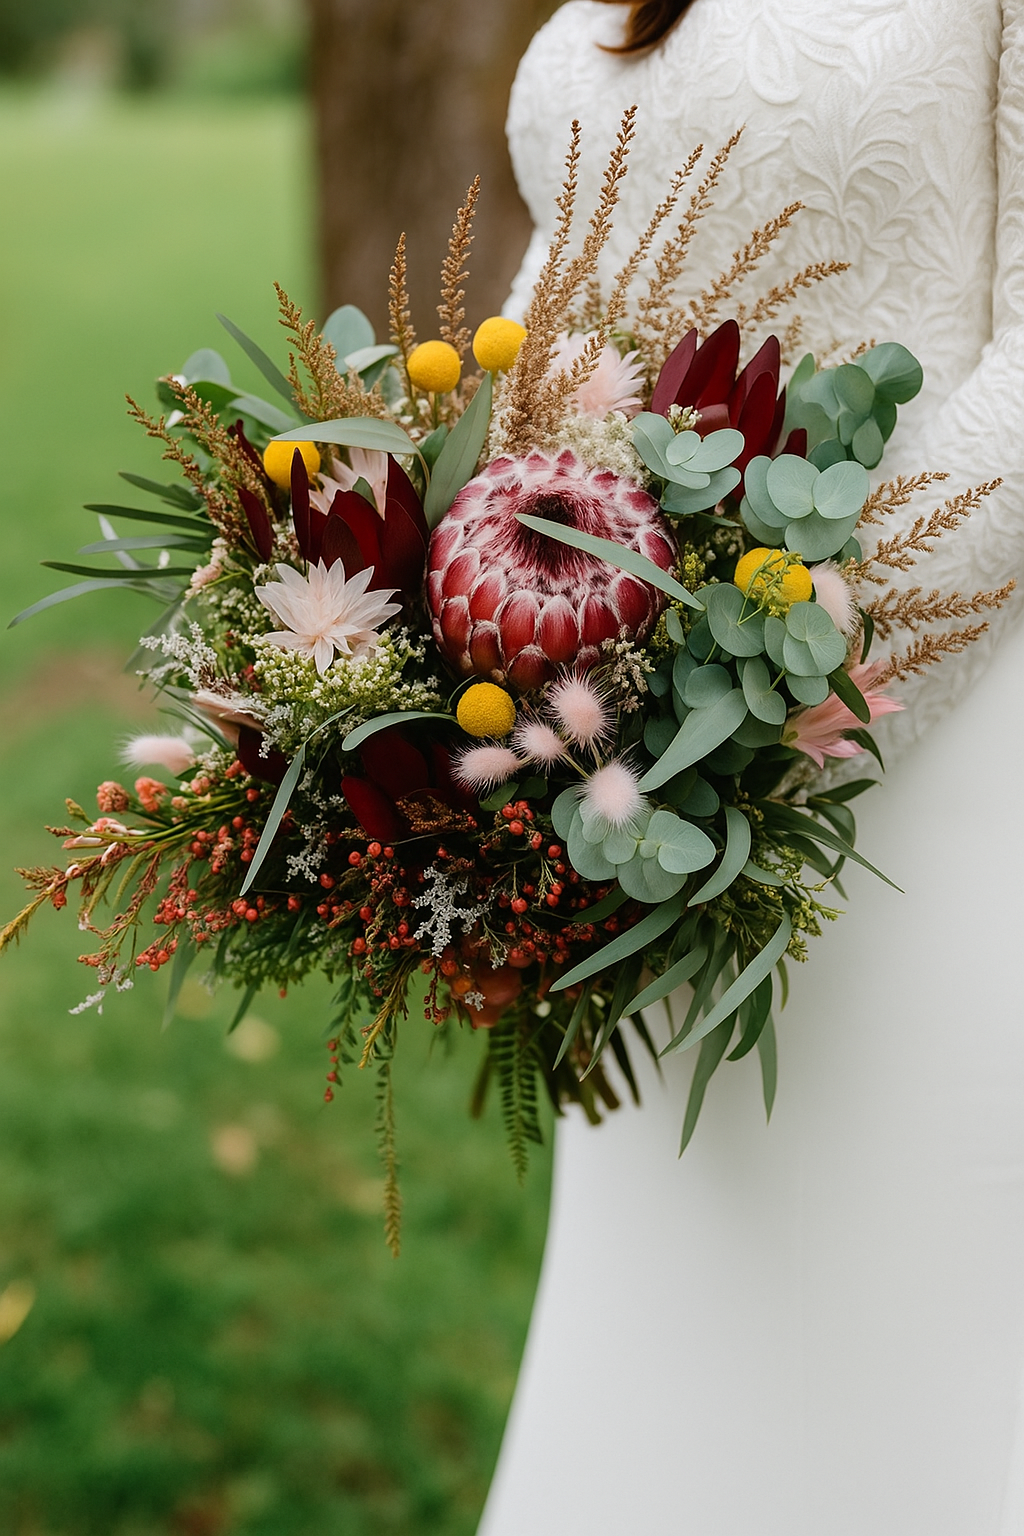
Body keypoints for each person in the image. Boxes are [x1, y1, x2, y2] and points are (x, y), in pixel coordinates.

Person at [479, 2, 1024, 1532]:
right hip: (627, 814)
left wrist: (759, 735)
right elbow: (572, 276)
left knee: (902, 1341)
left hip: (914, 786)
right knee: (664, 1337)